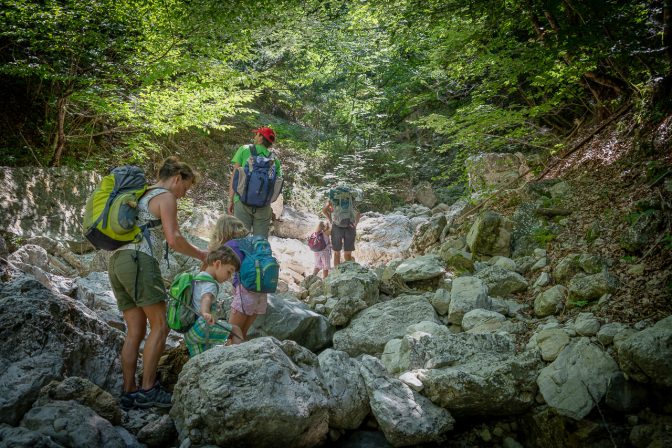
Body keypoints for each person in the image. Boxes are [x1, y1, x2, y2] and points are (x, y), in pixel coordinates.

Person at [108, 157, 208, 409]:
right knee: (161, 325)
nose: (184, 194)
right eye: (185, 188)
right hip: (140, 261)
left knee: (135, 331)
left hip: (118, 260)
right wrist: (202, 255)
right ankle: (148, 388)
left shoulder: (141, 195)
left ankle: (129, 390)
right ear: (177, 178)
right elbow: (174, 239)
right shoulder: (165, 197)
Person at [208, 214, 268, 341]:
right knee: (242, 334)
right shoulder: (252, 241)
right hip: (262, 291)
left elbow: (230, 269)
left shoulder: (232, 245)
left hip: (245, 292)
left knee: (232, 334)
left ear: (223, 230)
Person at [184, 245, 244, 357]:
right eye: (229, 272)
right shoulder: (211, 284)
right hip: (202, 327)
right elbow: (206, 298)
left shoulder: (198, 277)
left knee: (200, 359)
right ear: (217, 264)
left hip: (189, 331)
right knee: (236, 330)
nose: (230, 277)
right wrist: (205, 312)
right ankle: (238, 359)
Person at [227, 127, 281, 238]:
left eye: (257, 134)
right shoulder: (275, 160)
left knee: (241, 240)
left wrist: (230, 200)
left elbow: (234, 176)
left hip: (242, 201)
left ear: (261, 138)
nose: (255, 136)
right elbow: (276, 185)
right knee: (260, 243)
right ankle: (258, 255)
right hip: (263, 206)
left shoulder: (245, 149)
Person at [322, 185, 361, 267]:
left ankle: (337, 274)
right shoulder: (350, 198)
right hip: (350, 226)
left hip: (337, 226)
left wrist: (330, 220)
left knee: (337, 253)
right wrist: (355, 224)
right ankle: (350, 271)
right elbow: (358, 213)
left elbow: (324, 210)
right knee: (348, 253)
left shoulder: (332, 199)